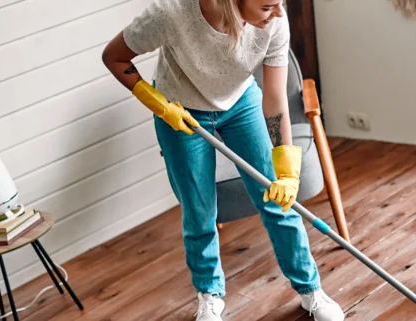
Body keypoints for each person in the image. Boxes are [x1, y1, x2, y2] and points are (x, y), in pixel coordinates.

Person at [101, 0, 345, 320]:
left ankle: (310, 289)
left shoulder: (275, 21)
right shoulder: (171, 13)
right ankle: (210, 293)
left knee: (277, 201)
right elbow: (114, 57)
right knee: (199, 210)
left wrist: (287, 172)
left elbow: (275, 99)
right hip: (180, 112)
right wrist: (158, 104)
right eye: (268, 5)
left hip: (241, 104)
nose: (278, 13)